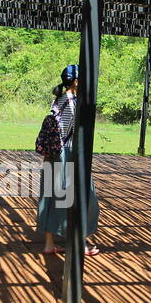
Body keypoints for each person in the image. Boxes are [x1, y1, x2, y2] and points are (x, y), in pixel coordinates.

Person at [38, 64, 99, 256]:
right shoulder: (75, 103)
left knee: (50, 196)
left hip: (52, 154)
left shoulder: (58, 100)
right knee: (83, 195)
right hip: (69, 154)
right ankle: (79, 243)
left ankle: (49, 244)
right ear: (76, 81)